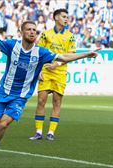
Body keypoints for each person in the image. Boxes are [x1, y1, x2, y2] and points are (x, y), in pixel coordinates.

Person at [0, 20, 99, 160]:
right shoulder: (12, 45)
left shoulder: (41, 52)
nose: (32, 32)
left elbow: (63, 57)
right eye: (29, 29)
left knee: (3, 124)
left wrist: (86, 54)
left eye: (35, 30)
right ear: (21, 32)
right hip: (3, 92)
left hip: (21, 96)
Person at [29, 9, 76, 141]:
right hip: (46, 72)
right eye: (64, 16)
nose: (66, 19)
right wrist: (37, 71)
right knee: (41, 101)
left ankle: (51, 133)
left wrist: (57, 64)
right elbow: (37, 52)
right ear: (56, 17)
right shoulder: (45, 34)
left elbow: (70, 55)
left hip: (60, 73)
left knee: (56, 103)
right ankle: (38, 132)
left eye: (67, 17)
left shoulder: (70, 36)